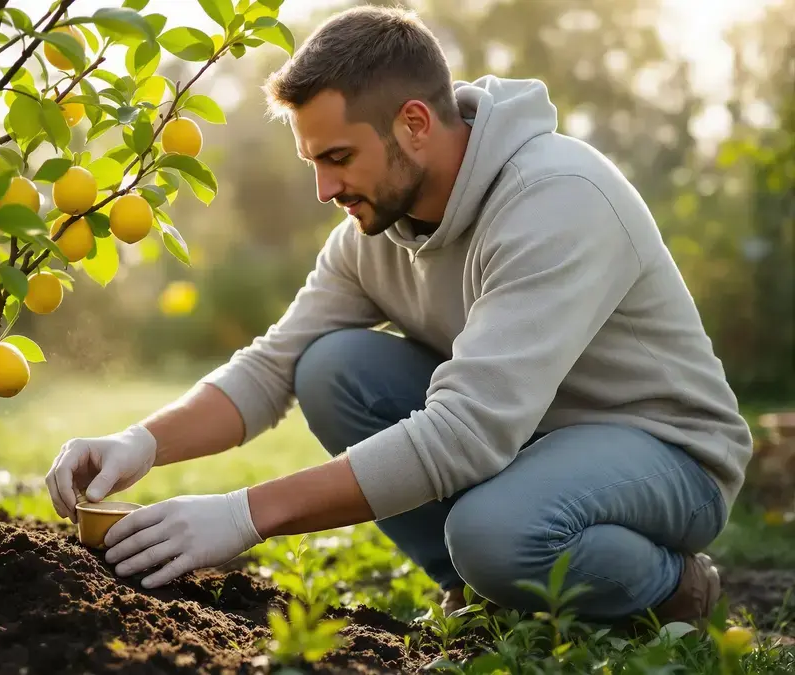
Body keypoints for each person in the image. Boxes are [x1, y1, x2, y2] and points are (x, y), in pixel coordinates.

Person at [44, 5, 753, 624]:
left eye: (339, 156)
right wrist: (140, 441)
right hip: (529, 442)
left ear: (414, 123)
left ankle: (673, 589)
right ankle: (479, 593)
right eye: (313, 162)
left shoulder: (555, 200)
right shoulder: (371, 235)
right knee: (331, 366)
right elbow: (274, 366)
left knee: (494, 531)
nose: (324, 188)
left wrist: (243, 515)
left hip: (662, 452)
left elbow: (466, 432)